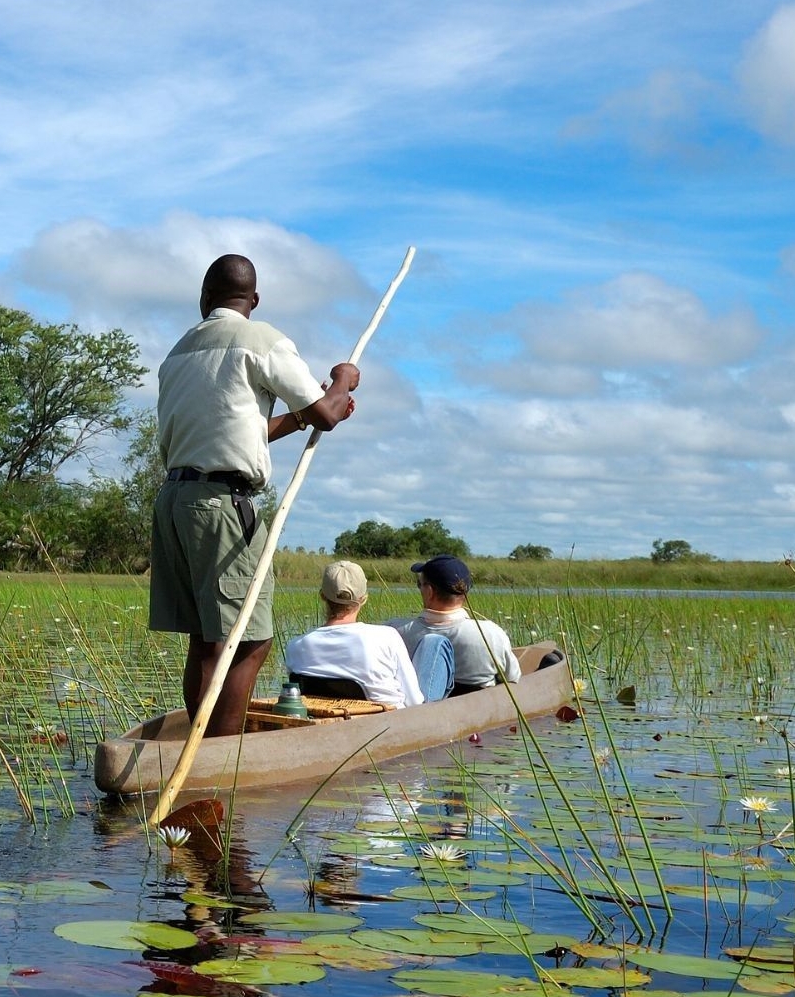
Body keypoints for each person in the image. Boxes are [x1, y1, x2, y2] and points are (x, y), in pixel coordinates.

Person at [150, 253, 360, 736]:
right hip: (223, 506)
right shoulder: (260, 339)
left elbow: (243, 432)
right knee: (248, 641)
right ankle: (220, 753)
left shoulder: (179, 352)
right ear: (254, 300)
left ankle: (200, 745)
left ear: (204, 299)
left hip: (175, 502)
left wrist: (308, 413)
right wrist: (343, 380)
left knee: (206, 639)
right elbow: (328, 412)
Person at [284, 560, 423, 708]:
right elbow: (414, 701)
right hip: (388, 722)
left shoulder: (295, 646)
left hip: (329, 722)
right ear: (363, 598)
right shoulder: (387, 637)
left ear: (322, 595)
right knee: (434, 643)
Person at [384, 554, 520, 699]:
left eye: (420, 584)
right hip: (479, 710)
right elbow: (513, 679)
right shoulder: (491, 633)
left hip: (417, 711)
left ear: (429, 592)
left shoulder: (393, 631)